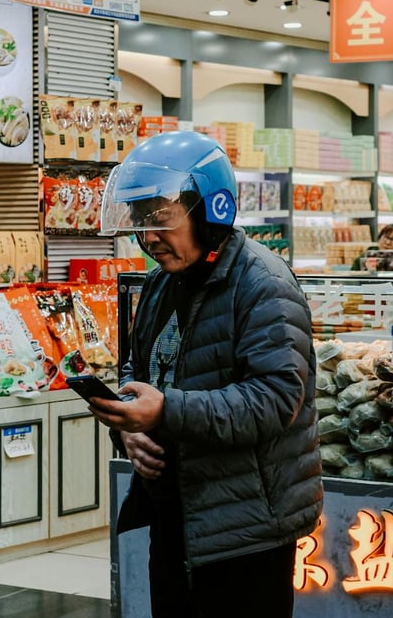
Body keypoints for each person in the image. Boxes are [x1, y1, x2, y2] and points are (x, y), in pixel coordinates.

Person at [89, 131, 323, 617]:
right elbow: (140, 368)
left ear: (211, 209)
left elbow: (276, 400)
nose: (148, 235)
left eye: (161, 217)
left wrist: (166, 410)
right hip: (175, 513)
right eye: (140, 218)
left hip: (245, 526)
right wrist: (131, 432)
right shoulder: (159, 282)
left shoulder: (263, 284)